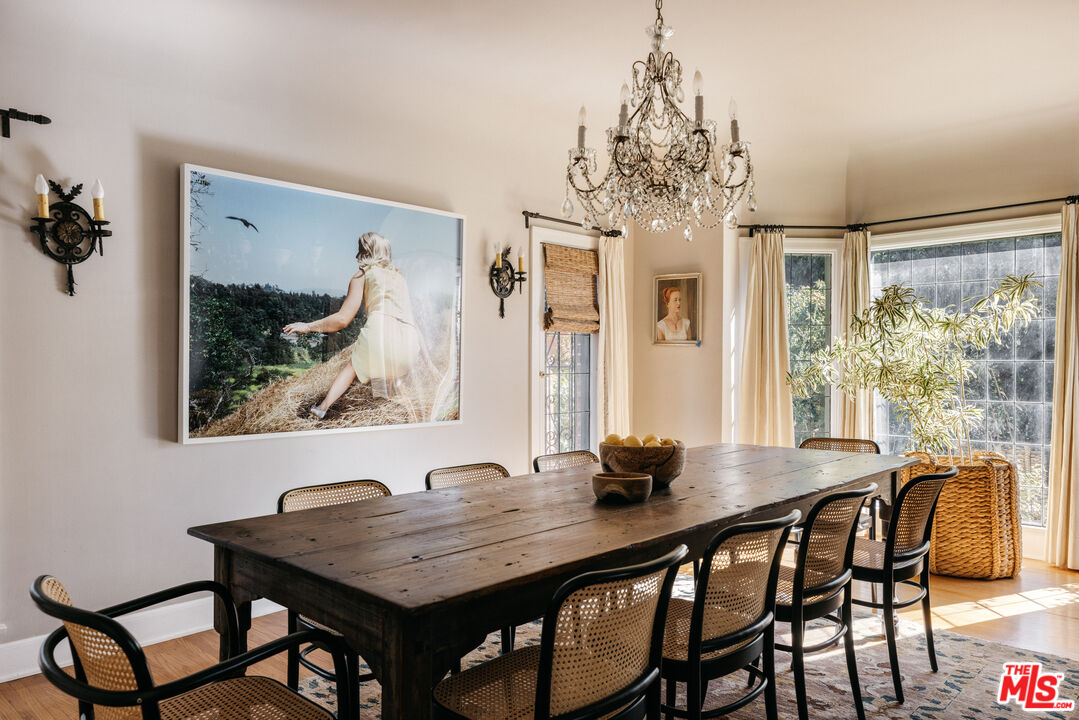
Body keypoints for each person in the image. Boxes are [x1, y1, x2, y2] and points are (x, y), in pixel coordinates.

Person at [284, 232, 420, 419]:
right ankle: (382, 403)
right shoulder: (399, 278)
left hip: (381, 334)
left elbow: (342, 319)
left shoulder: (362, 275)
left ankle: (322, 408)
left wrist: (308, 326)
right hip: (410, 344)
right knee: (383, 362)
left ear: (364, 251)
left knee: (353, 366)